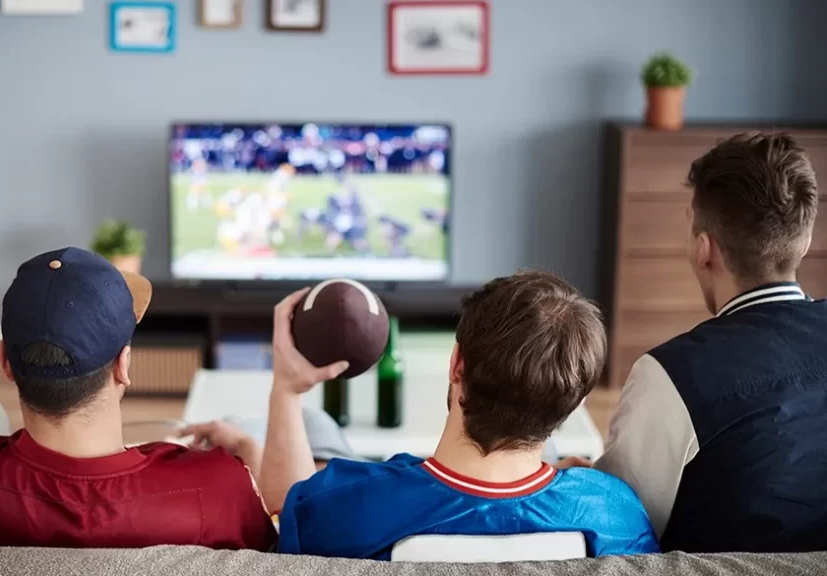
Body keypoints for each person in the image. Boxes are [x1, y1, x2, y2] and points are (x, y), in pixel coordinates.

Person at [0, 247, 276, 549]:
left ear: (5, 363)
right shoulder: (219, 484)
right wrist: (248, 453)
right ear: (124, 365)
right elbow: (278, 546)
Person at [254, 271, 659, 560]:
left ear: (456, 365)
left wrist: (287, 389)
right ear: (576, 403)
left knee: (317, 425)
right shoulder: (612, 510)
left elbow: (282, 514)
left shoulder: (340, 501)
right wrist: (573, 482)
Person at [593, 132, 827, 553]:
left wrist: (589, 489)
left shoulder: (670, 375)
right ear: (805, 243)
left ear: (705, 250)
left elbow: (617, 531)